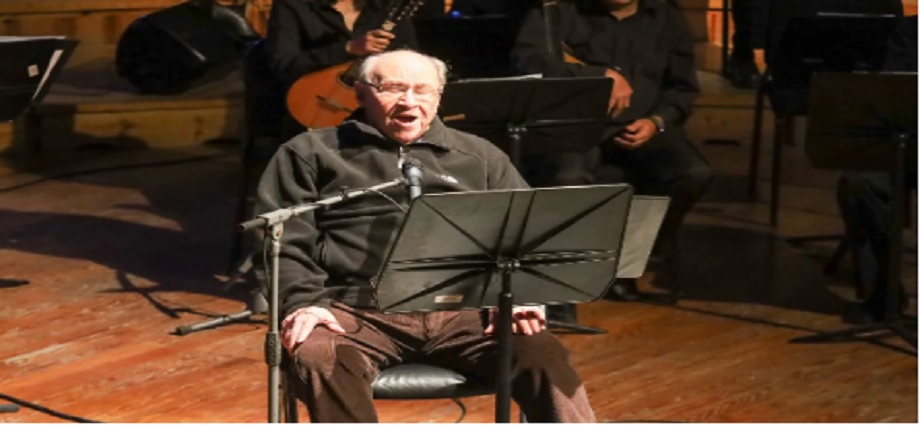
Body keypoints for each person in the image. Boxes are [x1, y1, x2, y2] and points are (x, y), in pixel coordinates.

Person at [253, 49, 596, 423]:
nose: (409, 102)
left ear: (439, 97)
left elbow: (527, 233)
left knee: (542, 353)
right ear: (362, 93)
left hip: (466, 311)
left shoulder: (478, 156)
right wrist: (305, 303)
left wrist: (525, 294)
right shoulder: (311, 152)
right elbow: (282, 239)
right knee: (317, 353)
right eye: (395, 89)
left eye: (423, 90)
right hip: (355, 311)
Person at [511, 0, 713, 300]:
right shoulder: (558, 11)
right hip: (572, 126)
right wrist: (596, 74)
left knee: (691, 173)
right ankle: (559, 285)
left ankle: (629, 264)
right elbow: (528, 60)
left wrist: (656, 121)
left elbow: (682, 87)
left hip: (640, 125)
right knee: (568, 180)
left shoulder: (666, 17)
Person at [836, 14, 916, 325]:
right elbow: (896, 94)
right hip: (912, 143)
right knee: (859, 183)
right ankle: (884, 296)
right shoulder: (911, 31)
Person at [262, 0, 419, 141]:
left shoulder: (386, 7)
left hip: (377, 110)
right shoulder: (292, 5)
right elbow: (283, 64)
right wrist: (347, 48)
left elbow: (411, 61)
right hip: (311, 106)